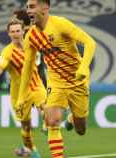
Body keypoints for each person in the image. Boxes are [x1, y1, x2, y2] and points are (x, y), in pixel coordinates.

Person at [16, 0, 96, 157]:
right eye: (27, 7)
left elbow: (90, 43)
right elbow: (27, 68)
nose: (28, 10)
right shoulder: (31, 36)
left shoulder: (61, 24)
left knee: (81, 129)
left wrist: (83, 67)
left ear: (45, 8)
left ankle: (72, 120)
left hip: (77, 81)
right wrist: (21, 96)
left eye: (32, 6)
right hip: (55, 82)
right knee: (51, 121)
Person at [0, 19, 46, 158]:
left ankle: (47, 127)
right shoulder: (7, 52)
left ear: (23, 31)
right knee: (26, 127)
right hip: (19, 94)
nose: (15, 33)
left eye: (17, 31)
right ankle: (32, 151)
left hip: (36, 86)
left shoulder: (31, 44)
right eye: (12, 31)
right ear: (8, 34)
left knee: (47, 112)